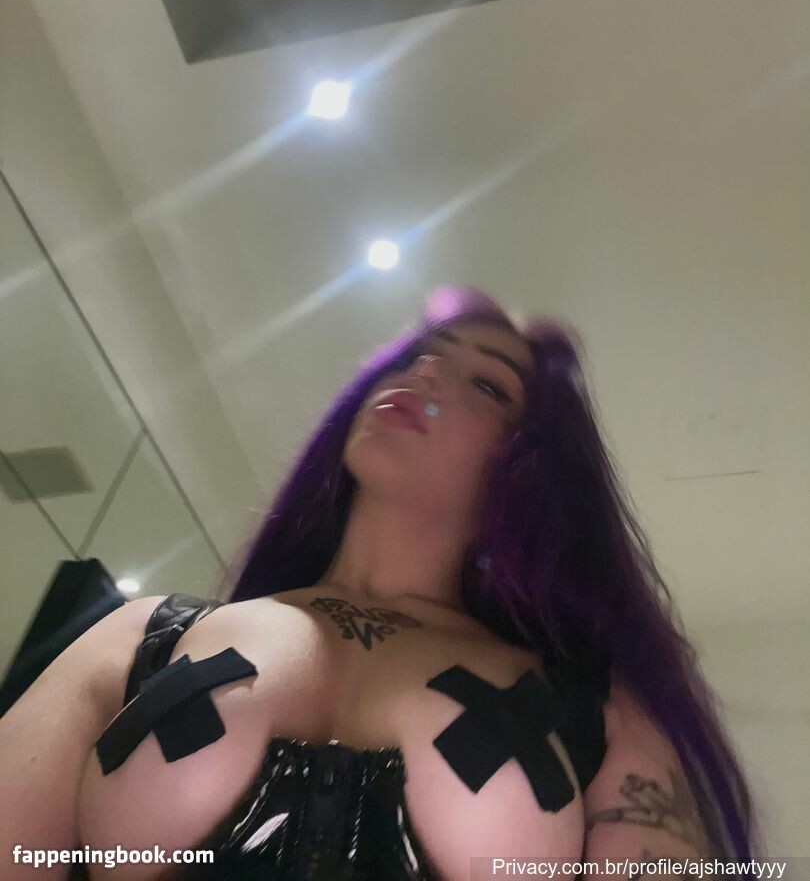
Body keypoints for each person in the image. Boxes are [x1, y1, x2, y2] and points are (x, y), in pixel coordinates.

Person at [0, 284, 761, 880]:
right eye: (422, 353)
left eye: (487, 385)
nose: (425, 371)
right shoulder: (144, 637)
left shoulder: (596, 711)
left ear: (528, 468)